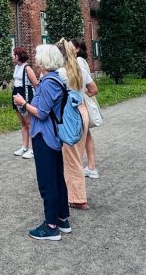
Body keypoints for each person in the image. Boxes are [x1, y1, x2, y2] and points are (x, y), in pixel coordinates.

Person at [13, 44, 71, 241]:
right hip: (51, 136)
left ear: (45, 60)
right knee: (56, 178)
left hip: (45, 136)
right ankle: (62, 219)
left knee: (47, 181)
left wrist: (23, 104)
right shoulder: (54, 80)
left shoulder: (48, 83)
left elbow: (42, 113)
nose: (36, 59)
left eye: (38, 56)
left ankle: (51, 225)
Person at [55, 38, 90, 210]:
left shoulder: (61, 73)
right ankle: (72, 193)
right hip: (82, 111)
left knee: (72, 159)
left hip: (69, 114)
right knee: (75, 156)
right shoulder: (79, 68)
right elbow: (92, 88)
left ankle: (78, 198)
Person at [72, 39, 100, 179]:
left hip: (78, 106)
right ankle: (91, 166)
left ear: (76, 49)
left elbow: (93, 88)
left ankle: (89, 167)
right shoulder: (80, 62)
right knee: (86, 135)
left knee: (82, 136)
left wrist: (82, 97)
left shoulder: (78, 63)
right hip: (79, 104)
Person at [11, 47, 38, 159]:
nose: (13, 56)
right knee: (22, 123)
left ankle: (32, 148)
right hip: (16, 94)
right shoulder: (17, 67)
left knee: (29, 123)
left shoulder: (27, 68)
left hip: (25, 95)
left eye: (14, 54)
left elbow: (35, 84)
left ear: (19, 56)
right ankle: (24, 146)